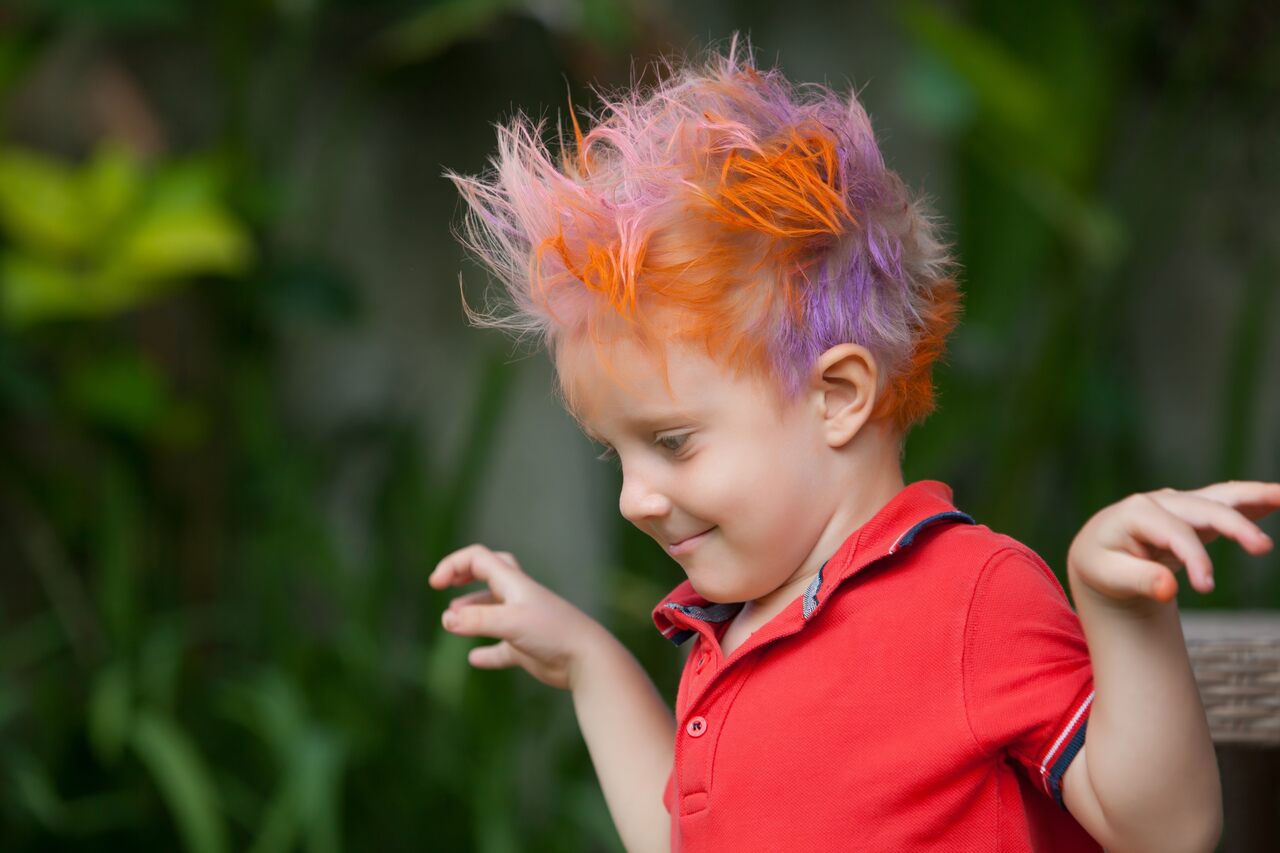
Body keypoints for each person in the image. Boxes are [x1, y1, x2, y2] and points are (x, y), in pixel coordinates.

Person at [430, 36, 1279, 851]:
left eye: (673, 442)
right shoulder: (732, 631)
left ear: (837, 395)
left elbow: (1166, 830)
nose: (635, 497)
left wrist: (1123, 616)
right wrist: (589, 662)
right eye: (619, 454)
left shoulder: (970, 599)